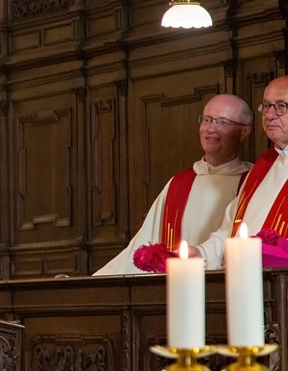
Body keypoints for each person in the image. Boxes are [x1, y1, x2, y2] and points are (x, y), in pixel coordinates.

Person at [95, 94, 253, 275]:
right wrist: (96, 281)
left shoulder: (253, 181)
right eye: (207, 119)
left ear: (244, 132)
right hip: (177, 283)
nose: (211, 128)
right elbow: (142, 243)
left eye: (223, 122)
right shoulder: (178, 184)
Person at [197, 74, 288, 274]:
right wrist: (201, 254)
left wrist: (272, 254)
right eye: (266, 106)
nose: (269, 115)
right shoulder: (262, 168)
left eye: (281, 106)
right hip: (249, 282)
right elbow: (232, 231)